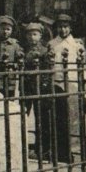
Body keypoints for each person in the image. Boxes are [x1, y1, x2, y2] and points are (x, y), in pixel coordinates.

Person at [48, 13, 86, 162]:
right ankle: (61, 151)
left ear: (70, 28)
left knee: (73, 118)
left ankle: (74, 149)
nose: (63, 30)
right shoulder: (52, 44)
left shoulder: (77, 44)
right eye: (60, 27)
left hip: (72, 83)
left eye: (65, 27)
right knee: (59, 118)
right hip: (57, 83)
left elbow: (82, 66)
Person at [23, 22, 52, 161]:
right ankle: (23, 146)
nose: (31, 37)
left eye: (34, 34)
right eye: (29, 34)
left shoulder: (45, 51)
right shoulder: (23, 51)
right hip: (27, 87)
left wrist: (45, 83)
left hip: (41, 87)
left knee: (42, 117)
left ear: (40, 36)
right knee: (24, 115)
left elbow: (47, 70)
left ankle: (43, 148)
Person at [0, 15, 24, 96]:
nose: (5, 32)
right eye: (3, 29)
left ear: (12, 30)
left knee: (10, 98)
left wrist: (16, 64)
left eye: (8, 29)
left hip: (10, 78)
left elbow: (20, 60)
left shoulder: (15, 45)